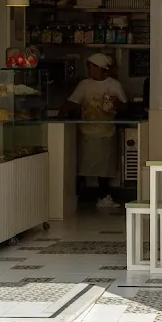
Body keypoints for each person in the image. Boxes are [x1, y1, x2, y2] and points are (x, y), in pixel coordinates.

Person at [57, 53, 127, 208]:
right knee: (82, 165)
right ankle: (73, 196)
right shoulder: (84, 85)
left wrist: (116, 103)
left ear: (102, 68)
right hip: (86, 132)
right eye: (89, 66)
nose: (90, 69)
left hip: (106, 131)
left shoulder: (114, 85)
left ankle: (103, 196)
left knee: (104, 167)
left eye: (93, 67)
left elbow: (124, 107)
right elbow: (71, 102)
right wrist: (58, 117)